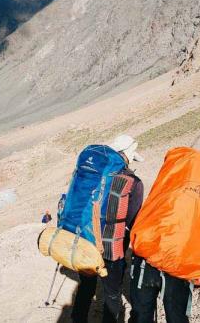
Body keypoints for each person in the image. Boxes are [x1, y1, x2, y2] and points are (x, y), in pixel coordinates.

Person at [71, 135, 145, 323]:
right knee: (112, 293)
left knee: (86, 286)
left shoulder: (93, 173)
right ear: (128, 154)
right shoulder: (133, 181)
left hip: (85, 239)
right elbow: (133, 220)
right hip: (112, 248)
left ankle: (78, 319)